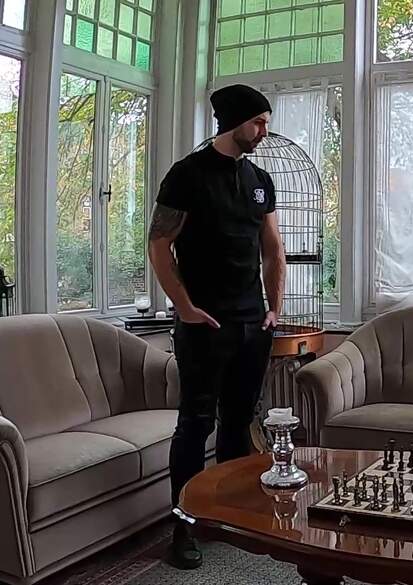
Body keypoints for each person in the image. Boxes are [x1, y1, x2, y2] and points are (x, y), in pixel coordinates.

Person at [147, 84, 286, 569]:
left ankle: (226, 516)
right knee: (195, 423)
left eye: (266, 122)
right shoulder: (186, 175)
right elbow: (159, 245)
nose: (264, 131)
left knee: (237, 423)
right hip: (204, 324)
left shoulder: (260, 179)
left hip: (253, 323)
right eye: (258, 122)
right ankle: (183, 529)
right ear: (232, 122)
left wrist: (274, 308)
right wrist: (184, 307)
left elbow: (273, 249)